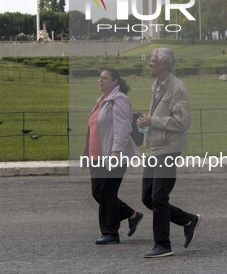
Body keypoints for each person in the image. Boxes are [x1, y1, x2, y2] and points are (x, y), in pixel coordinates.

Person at [137, 48, 200, 258]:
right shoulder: (156, 86)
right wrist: (147, 121)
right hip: (153, 149)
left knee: (159, 196)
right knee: (148, 198)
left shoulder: (178, 89)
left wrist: (153, 121)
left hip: (168, 149)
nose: (149, 64)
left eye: (153, 61)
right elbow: (162, 115)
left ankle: (163, 245)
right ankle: (187, 219)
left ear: (165, 64)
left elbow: (183, 122)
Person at [83, 68, 143, 245]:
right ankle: (132, 215)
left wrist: (116, 152)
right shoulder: (102, 101)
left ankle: (110, 233)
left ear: (115, 81)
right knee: (98, 193)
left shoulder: (120, 100)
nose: (100, 81)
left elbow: (123, 128)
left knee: (107, 193)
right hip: (97, 156)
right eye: (99, 78)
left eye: (104, 78)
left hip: (112, 155)